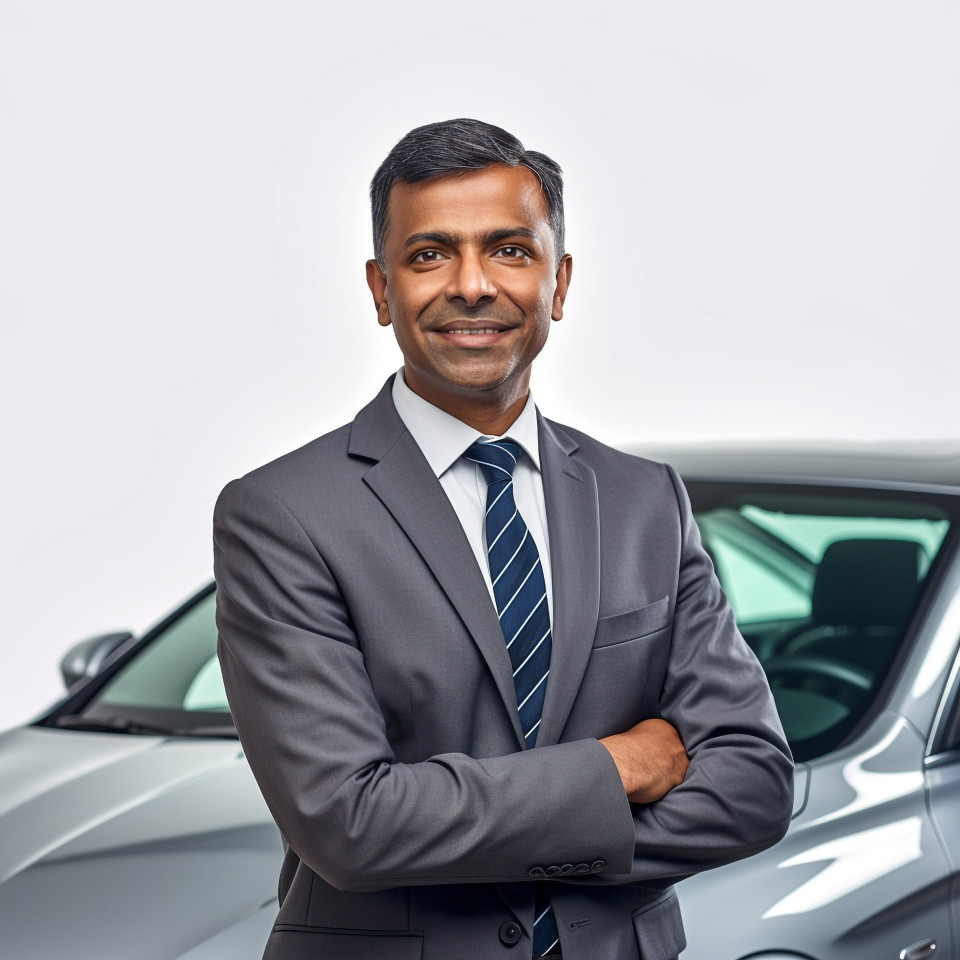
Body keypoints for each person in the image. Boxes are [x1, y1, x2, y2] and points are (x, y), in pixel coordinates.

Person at [214, 118, 793, 960]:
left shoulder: (644, 501)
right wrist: (615, 770)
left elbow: (753, 786)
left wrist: (470, 832)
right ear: (381, 291)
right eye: (429, 254)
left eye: (510, 251)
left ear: (558, 284)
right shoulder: (282, 513)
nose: (473, 284)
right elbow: (349, 824)